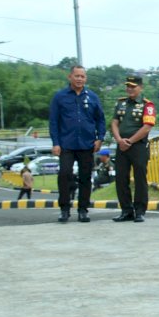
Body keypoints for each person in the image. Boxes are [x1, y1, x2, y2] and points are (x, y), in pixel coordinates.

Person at [49, 65, 106, 223]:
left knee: (85, 177)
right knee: (65, 175)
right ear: (70, 77)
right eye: (77, 76)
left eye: (82, 76)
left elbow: (100, 119)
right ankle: (64, 209)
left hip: (87, 144)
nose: (80, 79)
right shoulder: (60, 97)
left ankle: (83, 210)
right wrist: (55, 143)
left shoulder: (92, 97)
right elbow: (54, 122)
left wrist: (100, 138)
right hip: (66, 144)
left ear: (85, 78)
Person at [111, 76, 156, 223]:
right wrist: (119, 140)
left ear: (140, 87)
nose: (130, 89)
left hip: (138, 146)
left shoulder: (147, 105)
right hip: (121, 145)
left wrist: (130, 141)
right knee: (121, 178)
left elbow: (147, 127)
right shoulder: (121, 103)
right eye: (128, 86)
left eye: (133, 86)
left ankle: (140, 211)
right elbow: (114, 122)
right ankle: (126, 210)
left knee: (140, 179)